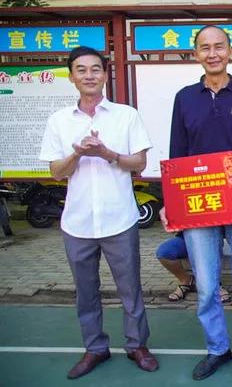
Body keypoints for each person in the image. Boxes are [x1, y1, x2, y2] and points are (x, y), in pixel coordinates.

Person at [39, 46, 158, 379]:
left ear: (105, 75)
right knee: (86, 292)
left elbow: (139, 162)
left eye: (95, 69)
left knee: (130, 289)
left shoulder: (126, 115)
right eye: (81, 69)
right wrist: (77, 154)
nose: (89, 75)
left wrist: (107, 153)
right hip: (77, 222)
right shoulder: (59, 120)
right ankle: (95, 348)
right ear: (71, 77)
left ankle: (137, 345)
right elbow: (56, 172)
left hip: (120, 218)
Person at [160, 25, 232, 381]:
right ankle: (217, 348)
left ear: (230, 51)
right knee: (206, 285)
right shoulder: (184, 98)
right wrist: (170, 202)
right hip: (197, 198)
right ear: (196, 54)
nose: (213, 53)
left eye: (219, 46)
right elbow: (177, 153)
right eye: (205, 47)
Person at [155, 233, 230, 303]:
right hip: (186, 235)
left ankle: (215, 284)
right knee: (164, 252)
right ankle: (186, 280)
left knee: (208, 246)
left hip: (211, 235)